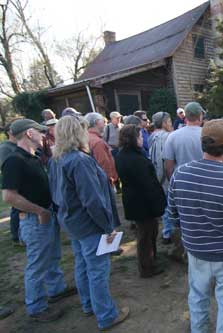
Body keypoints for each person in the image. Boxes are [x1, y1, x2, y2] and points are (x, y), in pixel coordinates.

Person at [168, 119, 223, 333]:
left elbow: (173, 216)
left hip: (196, 251)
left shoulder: (180, 174)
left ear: (202, 144)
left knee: (198, 297)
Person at [48, 116, 129, 330]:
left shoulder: (57, 159)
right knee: (97, 270)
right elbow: (92, 200)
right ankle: (106, 314)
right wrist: (107, 226)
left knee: (82, 264)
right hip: (88, 225)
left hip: (72, 222)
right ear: (78, 133)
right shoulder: (79, 160)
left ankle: (88, 305)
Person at [2, 119, 76, 322]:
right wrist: (39, 211)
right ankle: (36, 307)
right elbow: (9, 196)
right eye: (40, 131)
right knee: (37, 264)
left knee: (52, 255)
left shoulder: (33, 157)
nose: (44, 134)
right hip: (35, 220)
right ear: (28, 134)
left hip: (46, 215)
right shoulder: (15, 160)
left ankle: (56, 289)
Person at [115, 125, 166, 277]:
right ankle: (147, 267)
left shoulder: (123, 155)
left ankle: (151, 260)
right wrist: (158, 204)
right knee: (145, 236)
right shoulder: (135, 159)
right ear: (132, 139)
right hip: (142, 203)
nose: (142, 138)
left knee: (149, 232)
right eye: (139, 136)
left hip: (135, 200)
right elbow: (147, 184)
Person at [148, 112, 174, 244]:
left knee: (166, 207)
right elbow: (161, 160)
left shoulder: (152, 136)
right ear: (164, 123)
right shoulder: (164, 137)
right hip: (165, 178)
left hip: (159, 177)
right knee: (170, 206)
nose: (171, 124)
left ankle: (168, 231)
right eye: (169, 121)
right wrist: (163, 178)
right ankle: (169, 233)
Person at [164, 102, 204, 181]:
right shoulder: (208, 134)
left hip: (181, 182)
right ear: (200, 116)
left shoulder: (172, 136)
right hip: (204, 182)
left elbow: (169, 167)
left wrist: (172, 184)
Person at [0, 120, 21, 245]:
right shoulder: (5, 148)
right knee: (16, 208)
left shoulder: (17, 145)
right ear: (9, 132)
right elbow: (5, 165)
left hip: (23, 180)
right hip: (14, 181)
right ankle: (16, 236)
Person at [85, 112, 118, 186]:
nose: (104, 123)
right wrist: (110, 180)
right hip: (103, 182)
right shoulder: (98, 142)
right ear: (97, 122)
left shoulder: (86, 137)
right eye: (103, 120)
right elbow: (104, 164)